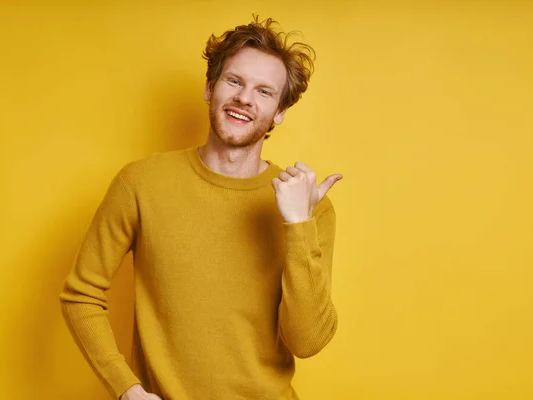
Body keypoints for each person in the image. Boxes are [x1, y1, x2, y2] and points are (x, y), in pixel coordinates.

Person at [60, 16, 342, 400]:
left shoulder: (310, 209)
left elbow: (306, 340)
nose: (245, 98)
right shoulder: (141, 183)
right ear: (210, 87)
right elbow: (81, 294)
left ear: (279, 112)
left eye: (264, 91)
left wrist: (297, 223)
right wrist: (126, 389)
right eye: (234, 81)